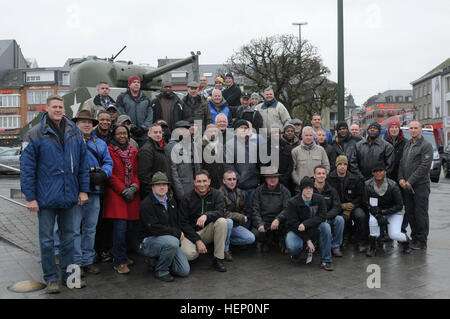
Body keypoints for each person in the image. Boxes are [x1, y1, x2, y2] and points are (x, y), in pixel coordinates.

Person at [21, 94, 90, 293]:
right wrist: (30, 197)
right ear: (47, 109)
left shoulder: (75, 133)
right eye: (54, 107)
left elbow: (83, 165)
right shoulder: (34, 134)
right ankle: (51, 278)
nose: (58, 110)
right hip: (45, 199)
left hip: (69, 197)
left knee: (70, 239)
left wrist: (83, 190)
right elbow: (27, 169)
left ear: (64, 109)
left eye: (60, 107)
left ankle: (70, 277)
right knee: (47, 241)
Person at [72, 110, 113, 275]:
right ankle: (76, 262)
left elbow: (108, 162)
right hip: (76, 192)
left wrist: (103, 173)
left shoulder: (100, 144)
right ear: (77, 124)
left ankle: (87, 260)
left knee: (90, 228)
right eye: (83, 121)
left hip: (94, 192)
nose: (87, 124)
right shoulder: (70, 142)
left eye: (89, 122)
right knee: (75, 229)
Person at [138, 172, 190, 282]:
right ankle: (161, 271)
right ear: (152, 187)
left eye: (164, 184)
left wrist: (177, 233)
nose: (162, 187)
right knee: (172, 242)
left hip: (168, 240)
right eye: (158, 184)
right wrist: (176, 233)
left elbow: (175, 222)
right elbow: (154, 228)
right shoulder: (146, 204)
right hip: (149, 242)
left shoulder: (171, 201)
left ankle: (157, 261)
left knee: (184, 271)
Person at [103, 125, 140, 274]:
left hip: (131, 194)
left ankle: (122, 255)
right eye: (119, 133)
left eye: (125, 133)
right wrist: (122, 189)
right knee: (120, 229)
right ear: (114, 135)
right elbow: (110, 174)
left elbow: (137, 173)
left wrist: (134, 187)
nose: (122, 136)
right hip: (116, 194)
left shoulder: (134, 151)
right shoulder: (109, 151)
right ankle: (119, 262)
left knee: (129, 230)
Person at [179, 170, 228, 272]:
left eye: (204, 181)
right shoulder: (187, 198)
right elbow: (183, 223)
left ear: (209, 181)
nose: (202, 184)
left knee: (222, 222)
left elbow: (221, 212)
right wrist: (197, 240)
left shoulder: (216, 194)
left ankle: (218, 258)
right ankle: (199, 248)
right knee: (189, 255)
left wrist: (206, 215)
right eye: (199, 181)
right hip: (191, 233)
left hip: (207, 231)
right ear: (194, 182)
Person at [284, 177, 333, 271]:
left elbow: (322, 216)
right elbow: (293, 224)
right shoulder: (292, 203)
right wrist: (307, 240)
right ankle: (296, 254)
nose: (308, 190)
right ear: (301, 189)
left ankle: (326, 260)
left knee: (326, 226)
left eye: (310, 187)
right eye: (306, 188)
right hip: (296, 231)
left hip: (312, 229)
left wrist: (305, 224)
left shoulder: (319, 199)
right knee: (293, 247)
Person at [398, 120, 433, 250]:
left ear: (420, 130)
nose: (413, 130)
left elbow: (424, 166)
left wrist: (410, 181)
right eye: (411, 128)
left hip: (420, 186)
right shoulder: (407, 144)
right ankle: (414, 238)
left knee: (420, 213)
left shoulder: (426, 145)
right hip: (406, 186)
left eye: (415, 128)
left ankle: (422, 240)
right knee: (410, 213)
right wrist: (401, 178)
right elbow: (402, 163)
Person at [364, 163, 411, 257]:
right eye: (375, 171)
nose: (378, 173)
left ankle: (406, 241)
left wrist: (383, 213)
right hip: (377, 211)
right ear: (372, 173)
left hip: (395, 212)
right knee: (372, 222)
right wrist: (378, 215)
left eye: (380, 171)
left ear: (385, 172)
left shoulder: (393, 185)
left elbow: (399, 205)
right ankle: (373, 247)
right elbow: (366, 202)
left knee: (393, 234)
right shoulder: (367, 184)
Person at [327, 155, 368, 253]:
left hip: (352, 206)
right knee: (338, 219)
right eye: (340, 164)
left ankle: (361, 242)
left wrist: (352, 206)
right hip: (336, 206)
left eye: (345, 164)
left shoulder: (355, 178)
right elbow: (328, 197)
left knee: (361, 216)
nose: (342, 166)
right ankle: (340, 241)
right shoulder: (329, 179)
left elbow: (360, 196)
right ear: (336, 165)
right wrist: (341, 206)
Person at [224, 120, 260, 228]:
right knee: (239, 213)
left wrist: (256, 177)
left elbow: (259, 164)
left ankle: (248, 237)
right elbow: (228, 166)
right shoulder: (229, 145)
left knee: (250, 212)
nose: (244, 130)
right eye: (241, 128)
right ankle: (239, 238)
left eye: (246, 128)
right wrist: (239, 180)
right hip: (239, 187)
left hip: (253, 186)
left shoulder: (254, 145)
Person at [251, 168, 291, 253]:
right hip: (264, 222)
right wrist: (260, 224)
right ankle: (265, 242)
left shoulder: (285, 191)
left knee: (290, 225)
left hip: (280, 222)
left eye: (275, 177)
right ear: (265, 178)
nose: (273, 179)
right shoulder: (258, 191)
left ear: (278, 178)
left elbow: (287, 209)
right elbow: (255, 210)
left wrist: (278, 219)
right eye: (270, 177)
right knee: (255, 233)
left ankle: (282, 241)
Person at [220, 171, 256, 261]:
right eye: (229, 179)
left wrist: (241, 217)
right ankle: (225, 250)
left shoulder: (239, 192)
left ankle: (223, 242)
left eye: (234, 179)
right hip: (222, 226)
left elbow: (243, 209)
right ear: (224, 181)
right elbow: (222, 213)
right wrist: (239, 217)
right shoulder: (219, 193)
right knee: (228, 221)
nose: (232, 181)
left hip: (235, 225)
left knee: (251, 238)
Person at [312, 165, 344, 258]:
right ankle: (313, 243)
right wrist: (319, 218)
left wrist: (326, 217)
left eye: (323, 173)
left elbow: (337, 207)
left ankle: (335, 247)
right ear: (314, 175)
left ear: (326, 175)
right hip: (313, 220)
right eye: (318, 173)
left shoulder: (332, 190)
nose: (321, 175)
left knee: (340, 219)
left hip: (328, 218)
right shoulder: (309, 190)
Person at [167, 120, 201, 201]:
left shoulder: (192, 144)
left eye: (186, 129)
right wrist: (180, 192)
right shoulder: (171, 147)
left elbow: (197, 166)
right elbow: (173, 172)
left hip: (195, 186)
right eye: (181, 129)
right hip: (182, 188)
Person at [116, 76, 153, 147]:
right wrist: (132, 127)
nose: (136, 84)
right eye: (134, 82)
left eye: (138, 82)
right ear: (129, 85)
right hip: (129, 134)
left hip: (144, 135)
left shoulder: (146, 99)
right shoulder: (122, 98)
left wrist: (143, 128)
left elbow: (150, 115)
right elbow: (121, 113)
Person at [138, 123, 171, 199]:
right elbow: (144, 176)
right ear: (149, 134)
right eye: (155, 132)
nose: (158, 135)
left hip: (164, 191)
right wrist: (153, 193)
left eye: (160, 132)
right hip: (153, 194)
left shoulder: (164, 147)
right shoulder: (146, 150)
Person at [202, 124, 225, 189]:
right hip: (206, 178)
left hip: (219, 179)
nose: (213, 133)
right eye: (210, 131)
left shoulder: (221, 144)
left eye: (215, 131)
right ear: (205, 132)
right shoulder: (200, 145)